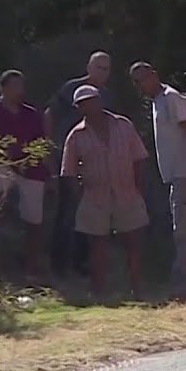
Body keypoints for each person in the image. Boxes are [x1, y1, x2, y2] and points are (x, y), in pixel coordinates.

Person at [130, 62, 186, 300]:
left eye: (142, 78)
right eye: (136, 82)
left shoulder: (170, 98)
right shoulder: (162, 100)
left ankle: (184, 288)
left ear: (153, 75)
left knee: (184, 234)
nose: (140, 85)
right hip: (177, 173)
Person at [60, 85, 150, 299]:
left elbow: (139, 159)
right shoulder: (76, 135)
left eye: (91, 100)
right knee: (97, 247)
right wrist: (80, 196)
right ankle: (99, 292)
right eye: (83, 104)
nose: (88, 106)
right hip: (94, 196)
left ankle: (137, 289)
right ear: (78, 108)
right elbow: (69, 171)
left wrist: (139, 187)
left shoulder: (123, 125)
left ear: (99, 101)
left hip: (127, 192)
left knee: (133, 243)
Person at [46, 51, 114, 278]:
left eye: (106, 68)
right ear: (89, 67)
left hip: (94, 161)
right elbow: (50, 114)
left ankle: (82, 263)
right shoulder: (71, 88)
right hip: (68, 157)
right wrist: (49, 147)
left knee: (91, 211)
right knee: (67, 210)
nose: (102, 72)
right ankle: (58, 264)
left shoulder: (105, 96)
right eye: (99, 67)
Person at [0, 70, 52, 282]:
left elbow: (42, 144)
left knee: (34, 220)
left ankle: (32, 270)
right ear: (4, 88)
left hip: (31, 168)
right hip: (2, 166)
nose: (20, 91)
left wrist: (48, 173)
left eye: (22, 86)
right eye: (15, 86)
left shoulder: (31, 114)